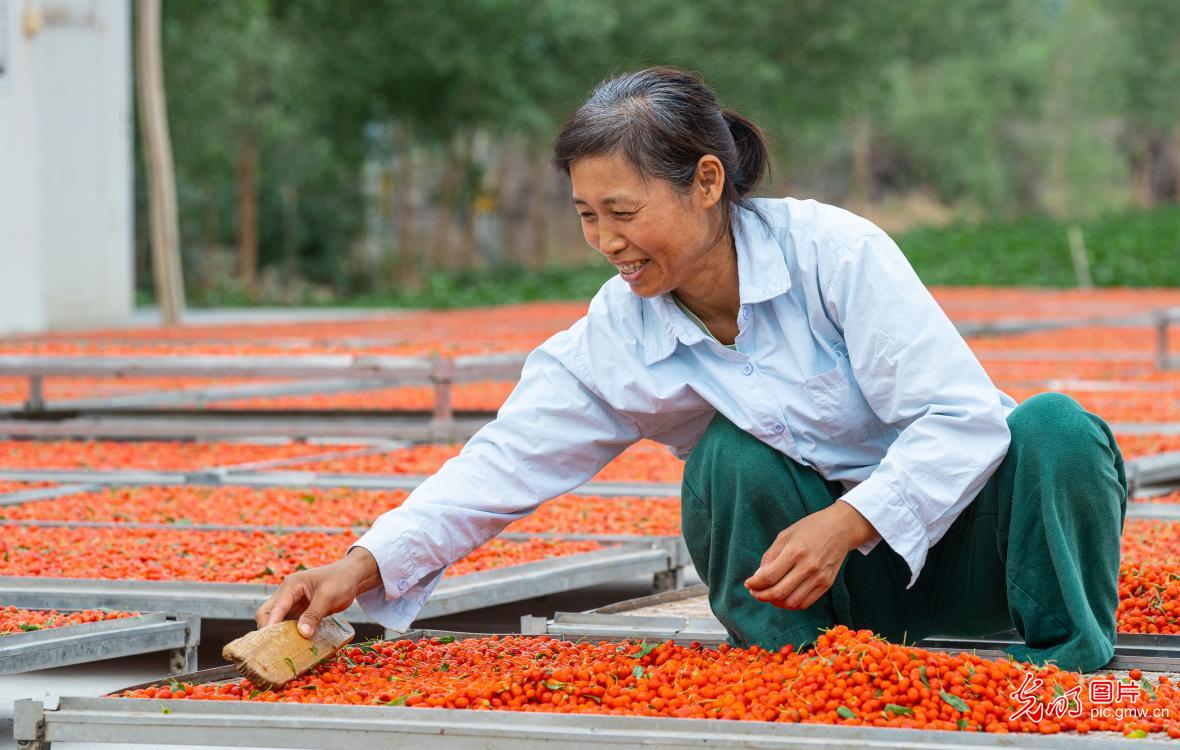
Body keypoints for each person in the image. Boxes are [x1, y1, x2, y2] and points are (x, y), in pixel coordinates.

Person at [257, 66, 1127, 673]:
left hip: (975, 554)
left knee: (1054, 428)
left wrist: (851, 521)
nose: (606, 243)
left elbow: (961, 419)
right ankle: (800, 676)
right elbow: (505, 460)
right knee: (730, 457)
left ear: (706, 181)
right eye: (587, 216)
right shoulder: (619, 331)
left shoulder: (834, 254)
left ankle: (1061, 670)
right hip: (831, 592)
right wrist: (361, 566)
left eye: (624, 212)